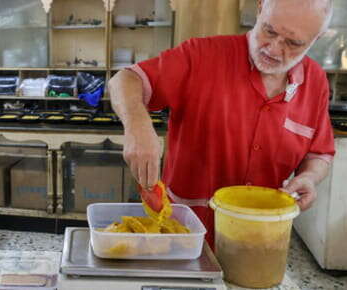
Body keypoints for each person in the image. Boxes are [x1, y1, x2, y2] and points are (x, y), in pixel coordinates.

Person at [109, 0, 335, 245]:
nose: (273, 48)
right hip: (185, 234)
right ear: (260, 8)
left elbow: (318, 153)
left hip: (258, 238)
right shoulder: (201, 55)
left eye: (293, 43)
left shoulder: (315, 82)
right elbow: (125, 79)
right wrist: (137, 126)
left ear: (317, 37)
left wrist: (310, 177)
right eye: (269, 31)